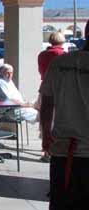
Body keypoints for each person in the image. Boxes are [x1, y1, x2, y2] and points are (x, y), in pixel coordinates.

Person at [39, 19, 89, 210]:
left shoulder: (61, 64)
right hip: (70, 154)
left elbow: (47, 103)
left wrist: (46, 135)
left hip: (66, 156)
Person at [37, 32, 66, 162]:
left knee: (45, 121)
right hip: (60, 90)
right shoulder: (63, 55)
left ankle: (45, 150)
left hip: (44, 88)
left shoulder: (42, 55)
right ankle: (52, 151)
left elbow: (41, 72)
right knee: (56, 121)